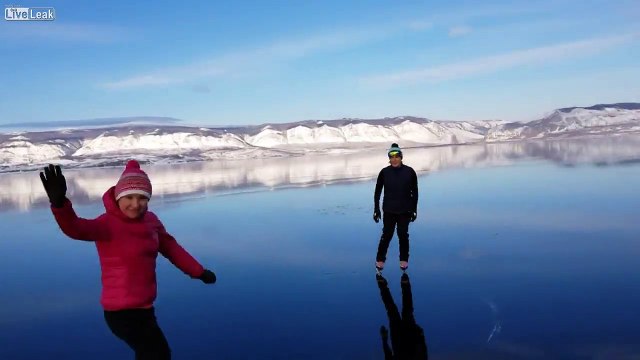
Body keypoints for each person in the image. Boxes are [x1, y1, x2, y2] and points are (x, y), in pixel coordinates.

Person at [39, 160, 217, 360]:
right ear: (118, 197)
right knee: (156, 354)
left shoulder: (152, 222)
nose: (135, 204)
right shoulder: (107, 224)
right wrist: (60, 204)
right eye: (129, 197)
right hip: (120, 312)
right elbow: (76, 229)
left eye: (142, 198)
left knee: (154, 354)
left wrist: (198, 271)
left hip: (145, 308)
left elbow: (172, 249)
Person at [373, 143, 418, 271]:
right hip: (389, 210)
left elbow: (415, 192)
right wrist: (376, 209)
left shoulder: (409, 172)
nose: (394, 159)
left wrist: (414, 209)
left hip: (405, 210)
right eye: (391, 156)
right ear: (389, 158)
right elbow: (377, 192)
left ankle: (404, 259)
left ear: (401, 157)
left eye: (397, 156)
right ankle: (380, 259)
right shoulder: (384, 172)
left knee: (403, 234)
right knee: (387, 235)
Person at [376, 273, 428, 359]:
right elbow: (423, 355)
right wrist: (421, 337)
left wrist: (384, 339)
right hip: (410, 339)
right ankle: (404, 284)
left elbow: (388, 357)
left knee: (393, 311)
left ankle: (383, 285)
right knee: (405, 311)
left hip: (398, 341)